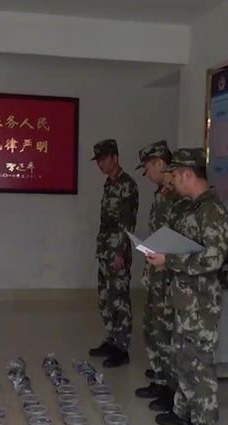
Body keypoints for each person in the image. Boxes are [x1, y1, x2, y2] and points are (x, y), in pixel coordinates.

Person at [146, 148, 228, 425]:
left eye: (175, 175)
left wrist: (170, 260)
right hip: (185, 298)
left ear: (188, 174)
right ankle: (183, 412)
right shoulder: (193, 207)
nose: (172, 180)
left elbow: (214, 258)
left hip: (201, 302)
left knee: (199, 362)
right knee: (183, 357)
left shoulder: (211, 210)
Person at [132, 140, 186, 413]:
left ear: (160, 164)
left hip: (169, 275)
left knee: (166, 332)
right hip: (156, 271)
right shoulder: (162, 193)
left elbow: (179, 238)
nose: (146, 174)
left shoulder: (177, 196)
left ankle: (170, 389)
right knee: (153, 328)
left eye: (148, 168)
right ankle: (160, 377)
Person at [88, 139, 139, 368]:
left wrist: (120, 253)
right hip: (105, 249)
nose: (100, 164)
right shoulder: (110, 184)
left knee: (119, 299)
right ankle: (112, 339)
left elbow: (127, 223)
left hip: (117, 251)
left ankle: (122, 347)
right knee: (105, 297)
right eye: (98, 160)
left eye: (104, 159)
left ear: (115, 158)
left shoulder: (127, 185)